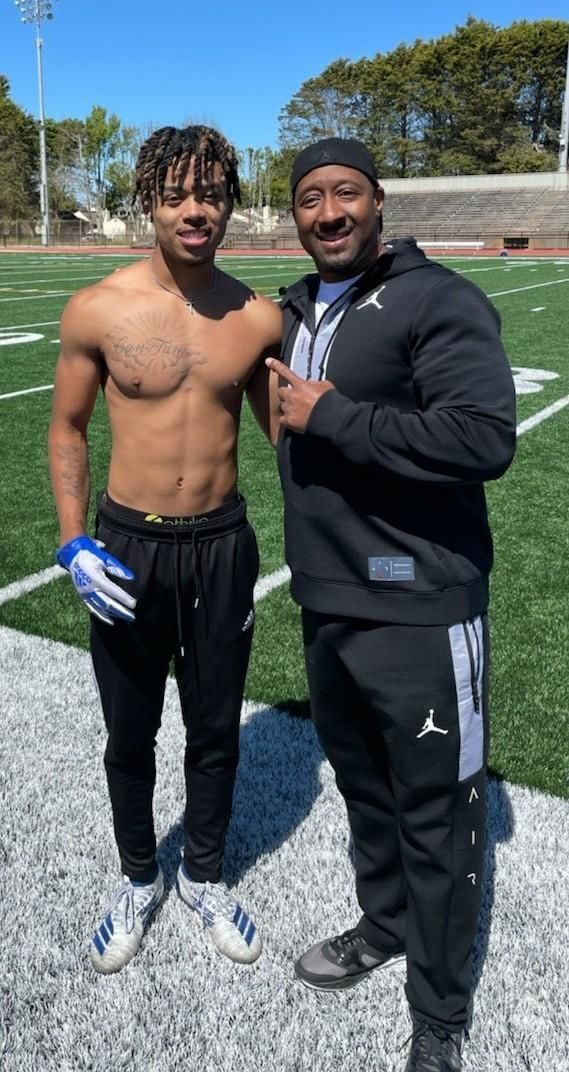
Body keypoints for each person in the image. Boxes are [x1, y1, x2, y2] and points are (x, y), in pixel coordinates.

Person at [266, 137, 516, 1071]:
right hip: (326, 597)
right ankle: (383, 923)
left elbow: (484, 437)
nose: (327, 212)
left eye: (345, 194)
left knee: (437, 814)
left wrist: (333, 415)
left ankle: (440, 1016)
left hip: (421, 604)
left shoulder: (435, 298)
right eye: (309, 199)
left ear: (378, 202)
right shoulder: (293, 305)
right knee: (365, 791)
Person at [49, 124, 281, 975]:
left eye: (211, 194)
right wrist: (73, 541)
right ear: (148, 201)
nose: (196, 210)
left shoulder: (257, 315)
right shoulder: (98, 308)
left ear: (228, 202)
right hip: (126, 548)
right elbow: (67, 427)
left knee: (215, 726)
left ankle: (205, 874)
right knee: (129, 730)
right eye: (178, 194)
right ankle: (139, 875)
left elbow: (290, 437)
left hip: (221, 546)